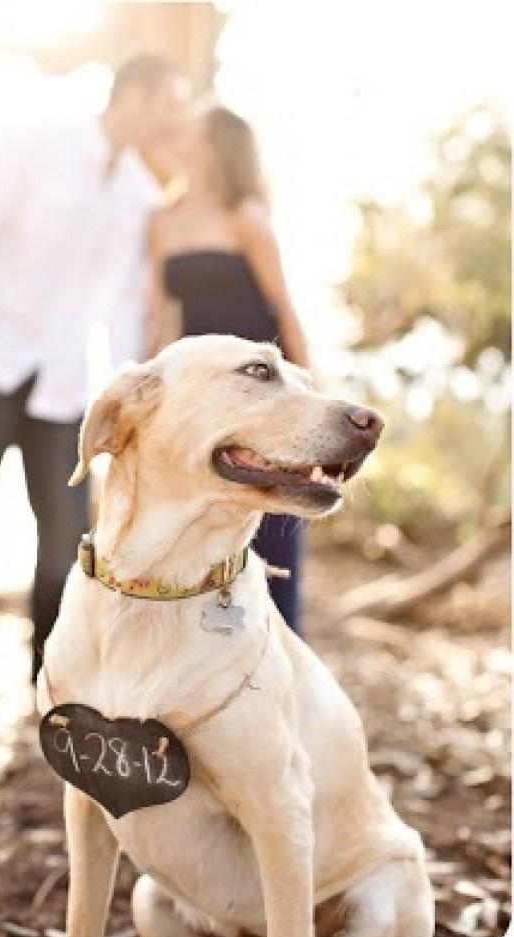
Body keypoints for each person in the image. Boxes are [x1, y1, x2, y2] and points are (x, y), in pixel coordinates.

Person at [0, 55, 189, 705]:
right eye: (169, 105)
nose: (174, 121)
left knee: (64, 535)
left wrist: (130, 391)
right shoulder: (38, 141)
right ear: (135, 95)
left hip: (66, 386)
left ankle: (52, 675)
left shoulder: (140, 196)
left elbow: (126, 305)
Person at [145, 104, 312, 633]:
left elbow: (283, 308)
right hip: (202, 393)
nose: (178, 136)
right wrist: (148, 389)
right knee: (203, 520)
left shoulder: (246, 217)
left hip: (262, 389)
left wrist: (309, 398)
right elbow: (159, 318)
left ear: (214, 147)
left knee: (273, 512)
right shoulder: (162, 221)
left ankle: (279, 642)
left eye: (191, 132)